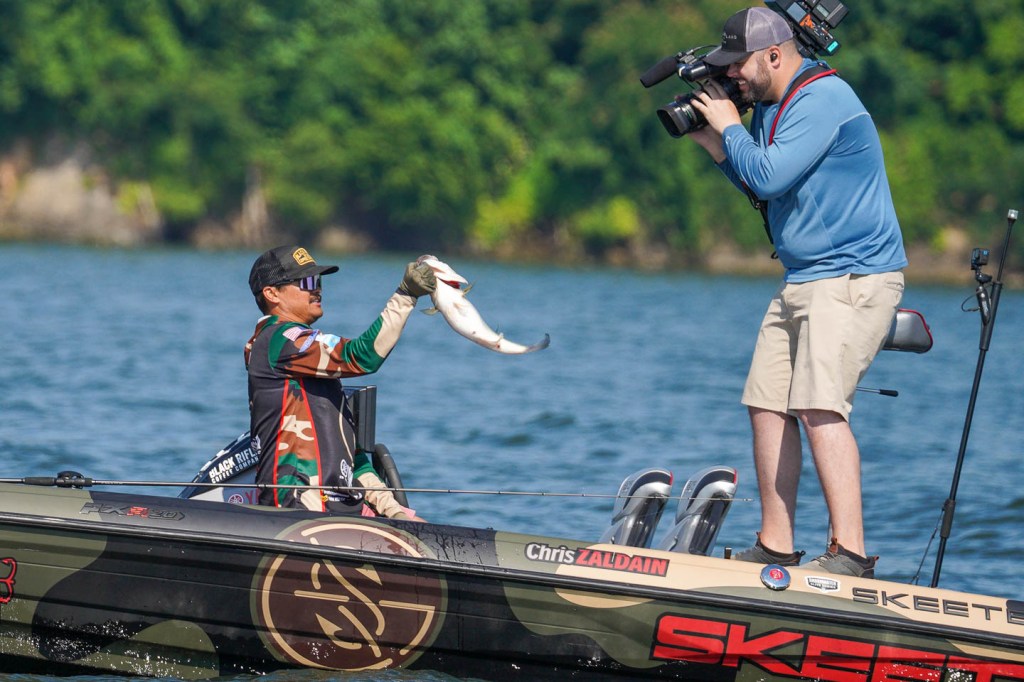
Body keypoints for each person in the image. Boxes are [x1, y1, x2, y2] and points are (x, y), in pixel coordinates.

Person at [687, 7, 908, 577]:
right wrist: (717, 143)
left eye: (738, 65)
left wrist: (730, 125)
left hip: (853, 276)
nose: (731, 75)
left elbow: (767, 176)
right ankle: (776, 544)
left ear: (774, 55)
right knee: (767, 403)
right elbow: (761, 185)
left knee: (818, 406)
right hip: (805, 277)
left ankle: (850, 553)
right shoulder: (772, 107)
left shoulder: (822, 98)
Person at [245, 245, 436, 520]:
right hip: (297, 508)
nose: (316, 290)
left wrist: (394, 510)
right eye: (306, 283)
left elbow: (354, 460)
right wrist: (405, 295)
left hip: (342, 510)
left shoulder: (311, 365)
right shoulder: (277, 339)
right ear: (272, 293)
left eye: (318, 281)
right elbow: (362, 356)